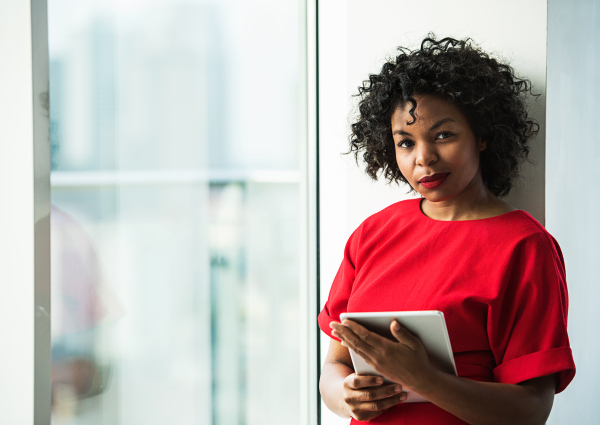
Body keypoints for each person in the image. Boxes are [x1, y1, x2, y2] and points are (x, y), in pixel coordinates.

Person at [318, 36, 575, 425]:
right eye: (405, 142)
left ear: (483, 135)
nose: (424, 158)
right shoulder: (373, 233)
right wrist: (344, 396)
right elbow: (335, 365)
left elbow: (531, 411)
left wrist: (424, 379)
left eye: (443, 135)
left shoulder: (524, 246)